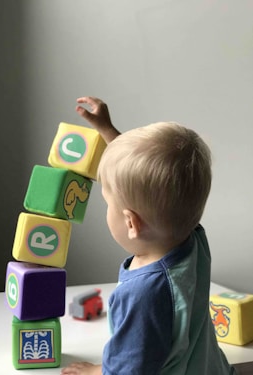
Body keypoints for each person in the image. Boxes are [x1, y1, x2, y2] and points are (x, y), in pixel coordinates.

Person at [61, 97, 237, 375]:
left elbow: (130, 370)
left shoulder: (144, 294)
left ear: (131, 222)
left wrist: (96, 371)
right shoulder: (191, 238)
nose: (108, 208)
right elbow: (153, 185)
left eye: (109, 203)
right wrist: (108, 132)